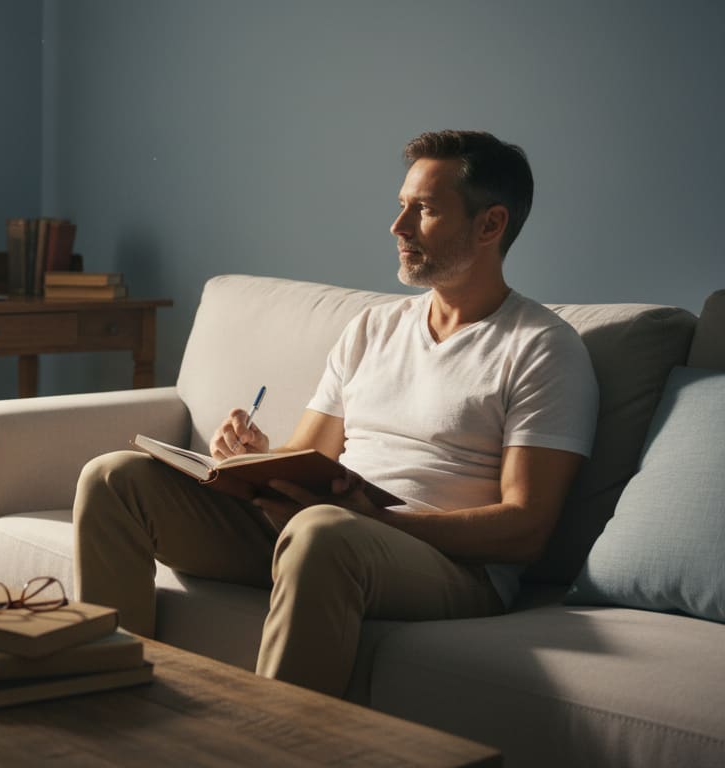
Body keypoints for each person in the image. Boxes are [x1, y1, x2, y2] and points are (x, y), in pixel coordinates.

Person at [72, 130, 599, 698]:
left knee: (322, 531)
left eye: (423, 211)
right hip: (321, 531)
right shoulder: (374, 328)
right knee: (113, 478)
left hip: (448, 566)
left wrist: (376, 523)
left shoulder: (541, 347)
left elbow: (526, 529)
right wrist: (255, 463)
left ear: (490, 225)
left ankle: (277, 748)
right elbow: (309, 458)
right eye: (401, 206)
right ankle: (109, 710)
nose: (398, 228)